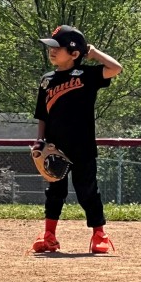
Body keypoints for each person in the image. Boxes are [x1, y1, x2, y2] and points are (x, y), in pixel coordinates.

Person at [30, 26, 123, 254]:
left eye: (57, 48)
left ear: (74, 53)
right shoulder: (47, 80)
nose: (51, 52)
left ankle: (99, 234)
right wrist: (39, 141)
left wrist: (92, 51)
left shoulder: (87, 76)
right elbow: (42, 114)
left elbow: (116, 68)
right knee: (55, 192)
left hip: (82, 147)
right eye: (51, 47)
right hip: (54, 147)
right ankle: (49, 235)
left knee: (87, 191)